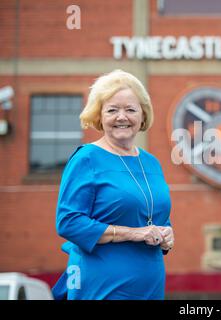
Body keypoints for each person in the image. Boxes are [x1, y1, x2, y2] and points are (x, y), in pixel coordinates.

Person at [52, 69, 174, 300]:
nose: (122, 117)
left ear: (142, 115)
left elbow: (154, 217)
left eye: (130, 109)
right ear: (99, 116)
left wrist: (167, 234)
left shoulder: (152, 163)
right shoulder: (86, 158)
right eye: (112, 110)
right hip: (103, 287)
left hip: (151, 286)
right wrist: (133, 233)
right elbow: (68, 222)